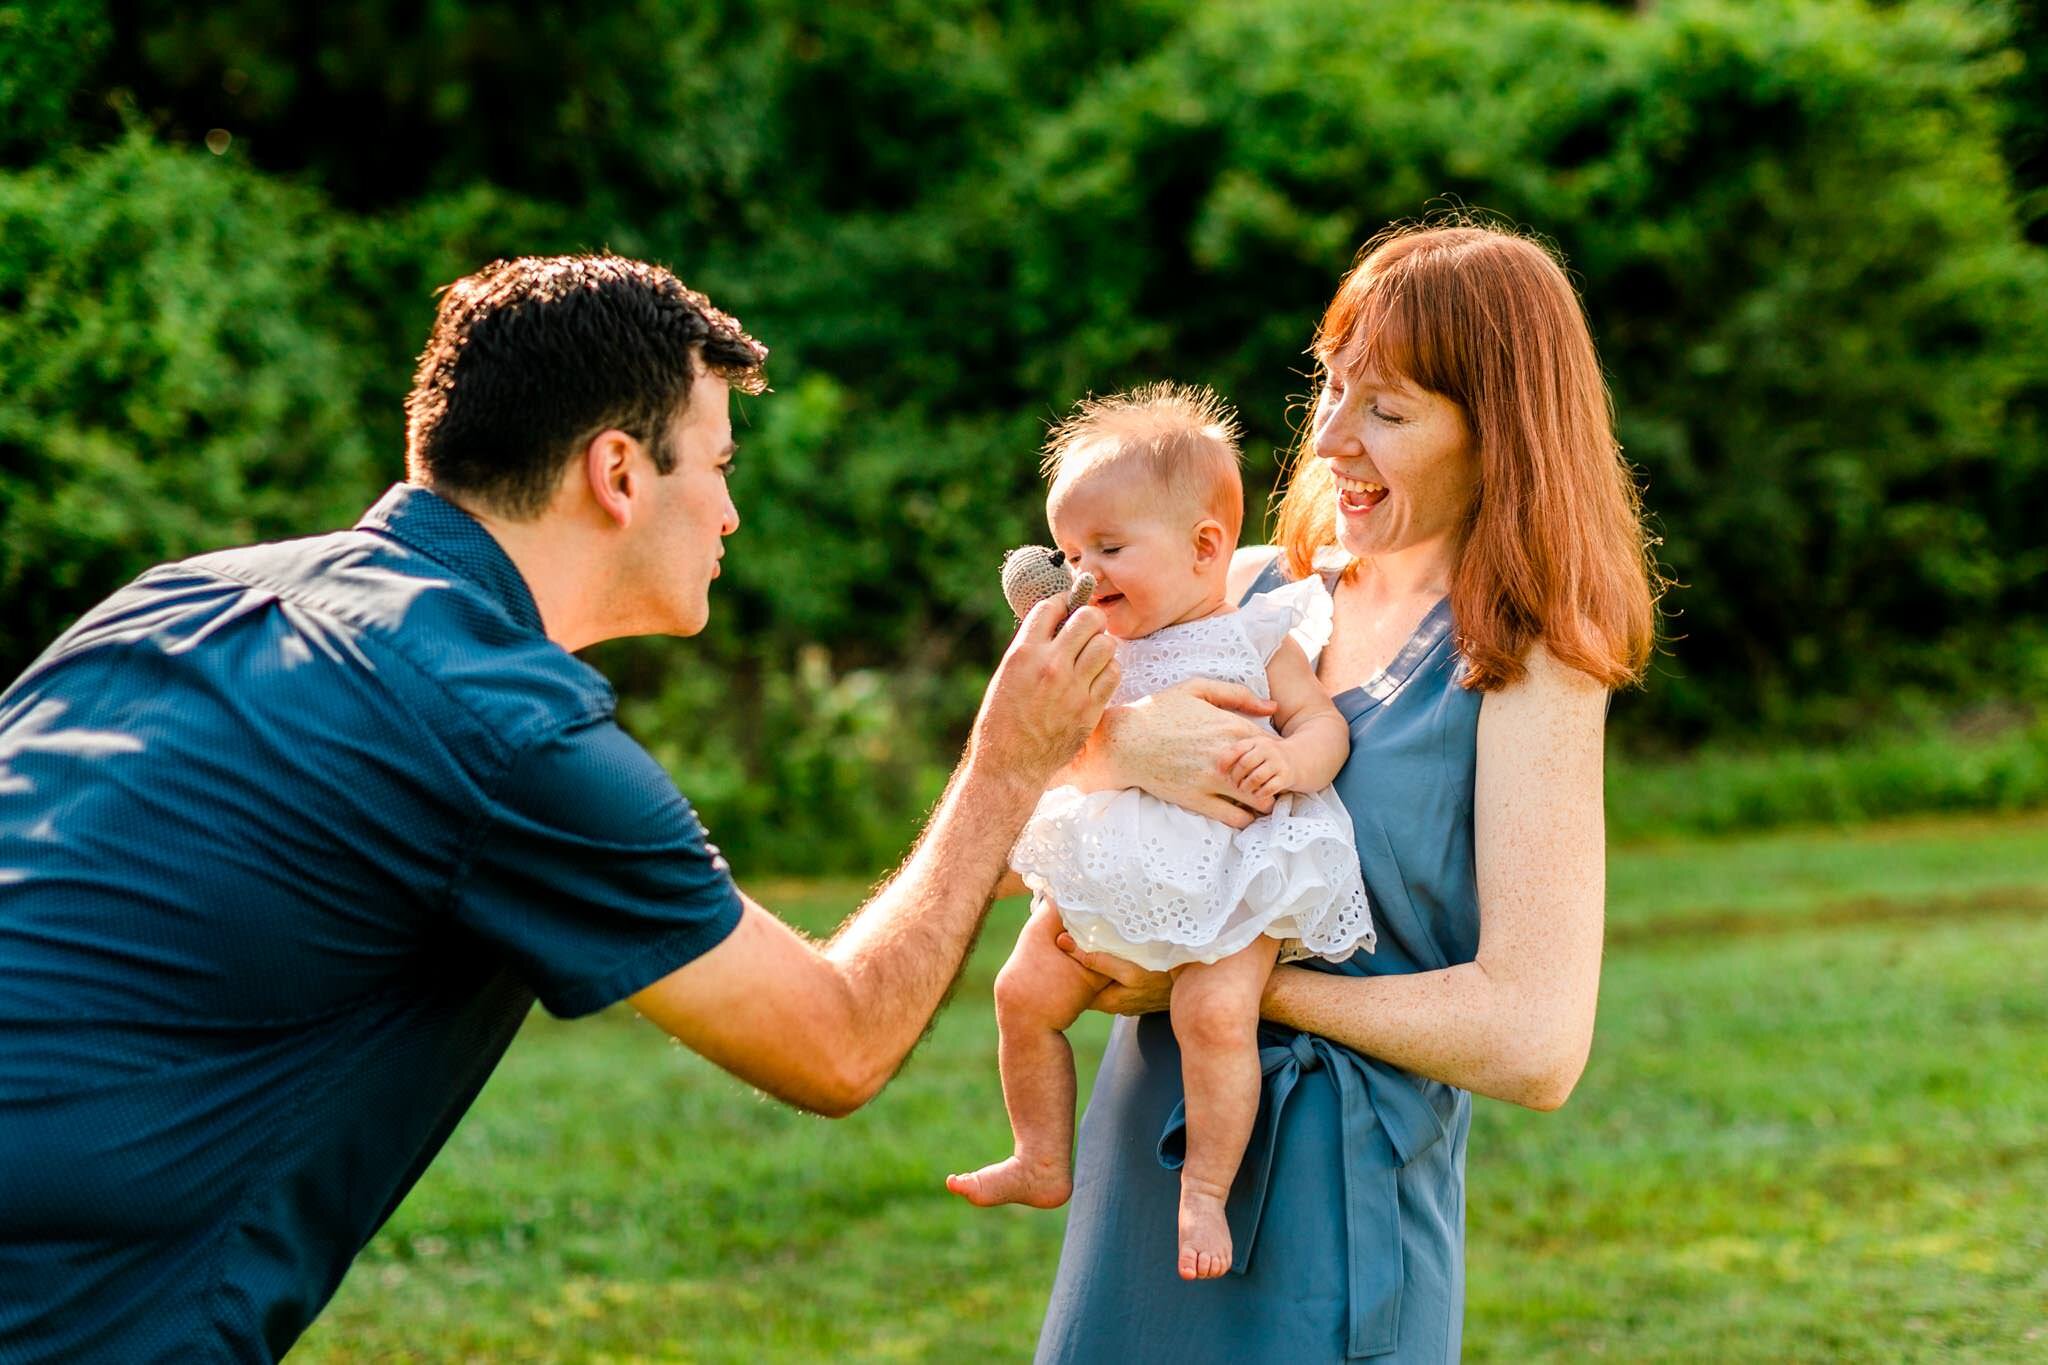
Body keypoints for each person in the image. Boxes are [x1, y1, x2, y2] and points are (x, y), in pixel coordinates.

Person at [0, 253, 1118, 1363]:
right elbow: (836, 1044)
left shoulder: (172, 598)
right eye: (718, 467)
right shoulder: (491, 721)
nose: (730, 513)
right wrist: (1004, 768)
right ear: (618, 473)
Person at [1030, 221, 1660, 1362]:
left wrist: (1229, 981)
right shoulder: (1257, 587)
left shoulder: (1528, 662)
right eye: (1329, 386)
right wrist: (1122, 749)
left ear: (1497, 431)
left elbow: (1534, 1041)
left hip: (1334, 1199)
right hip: (1147, 1151)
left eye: (1388, 409)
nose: (1326, 438)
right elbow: (1031, 748)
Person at [944, 383, 1376, 1283]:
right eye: (1068, 550)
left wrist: (1295, 766)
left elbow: (1321, 724)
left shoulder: (1256, 633)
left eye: (1107, 547)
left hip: (1235, 873)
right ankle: (1040, 1156)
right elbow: (1047, 751)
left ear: (1204, 547)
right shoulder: (1091, 645)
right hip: (1113, 873)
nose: (1081, 573)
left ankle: (1207, 1190)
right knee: (1022, 991)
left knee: (1213, 1012)